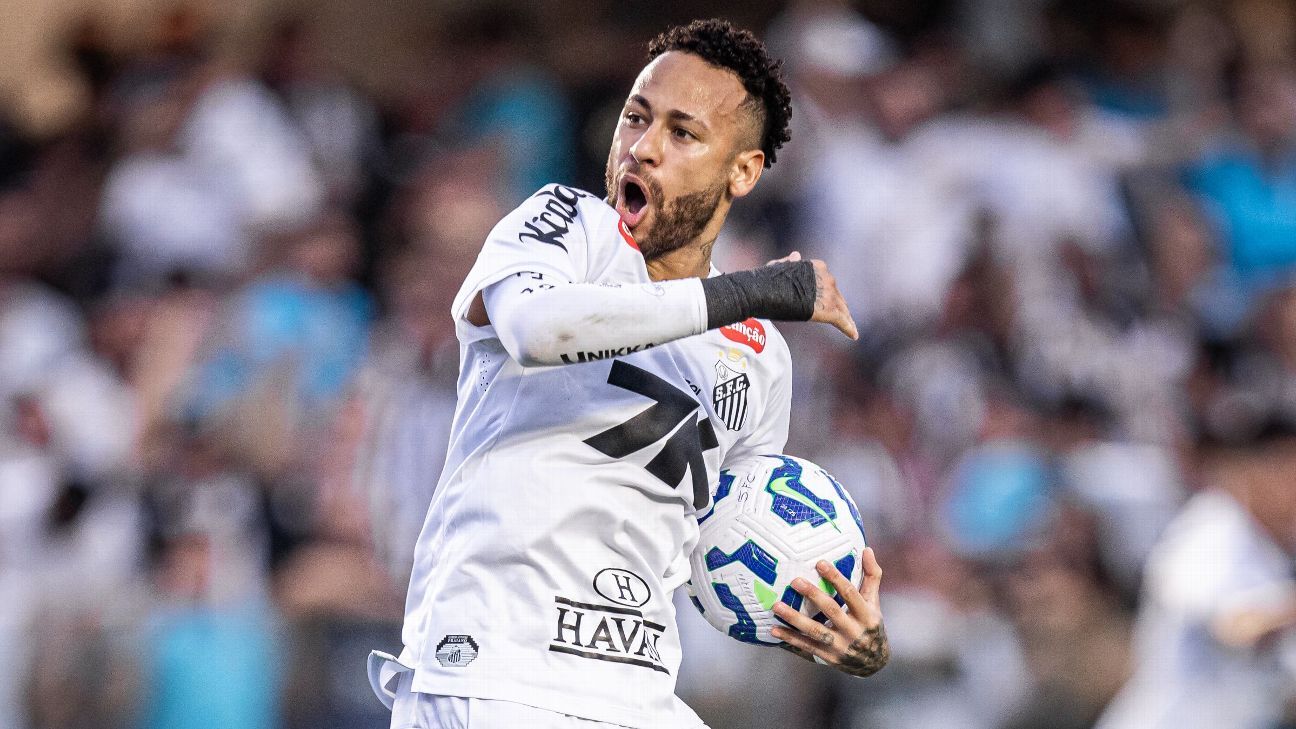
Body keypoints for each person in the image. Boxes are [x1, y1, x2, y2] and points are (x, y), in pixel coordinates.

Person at [375, 20, 890, 729]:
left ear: (742, 171)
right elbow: (536, 329)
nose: (643, 147)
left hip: (636, 693)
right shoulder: (565, 227)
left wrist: (832, 622)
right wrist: (748, 291)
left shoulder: (761, 357)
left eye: (683, 133)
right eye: (636, 118)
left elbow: (731, 543)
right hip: (495, 673)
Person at [1095, 421, 1296, 729]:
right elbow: (1235, 626)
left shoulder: (1275, 544)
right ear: (1253, 472)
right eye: (1287, 471)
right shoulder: (1211, 532)